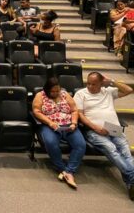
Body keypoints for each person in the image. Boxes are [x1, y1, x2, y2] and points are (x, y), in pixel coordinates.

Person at [74, 72, 134, 200]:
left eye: (94, 84)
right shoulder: (81, 94)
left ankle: (131, 182)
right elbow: (80, 115)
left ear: (102, 83)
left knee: (125, 152)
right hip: (94, 130)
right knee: (111, 149)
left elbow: (129, 90)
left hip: (113, 128)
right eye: (88, 83)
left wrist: (111, 81)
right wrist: (95, 127)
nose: (90, 86)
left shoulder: (108, 91)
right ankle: (132, 176)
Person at [32, 77, 85, 189]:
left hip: (68, 125)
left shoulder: (65, 94)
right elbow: (36, 111)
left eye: (58, 91)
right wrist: (50, 122)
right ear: (47, 89)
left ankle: (69, 171)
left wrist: (74, 123)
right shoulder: (40, 95)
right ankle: (62, 169)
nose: (56, 93)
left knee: (80, 145)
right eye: (53, 91)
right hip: (50, 126)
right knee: (51, 143)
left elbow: (74, 110)